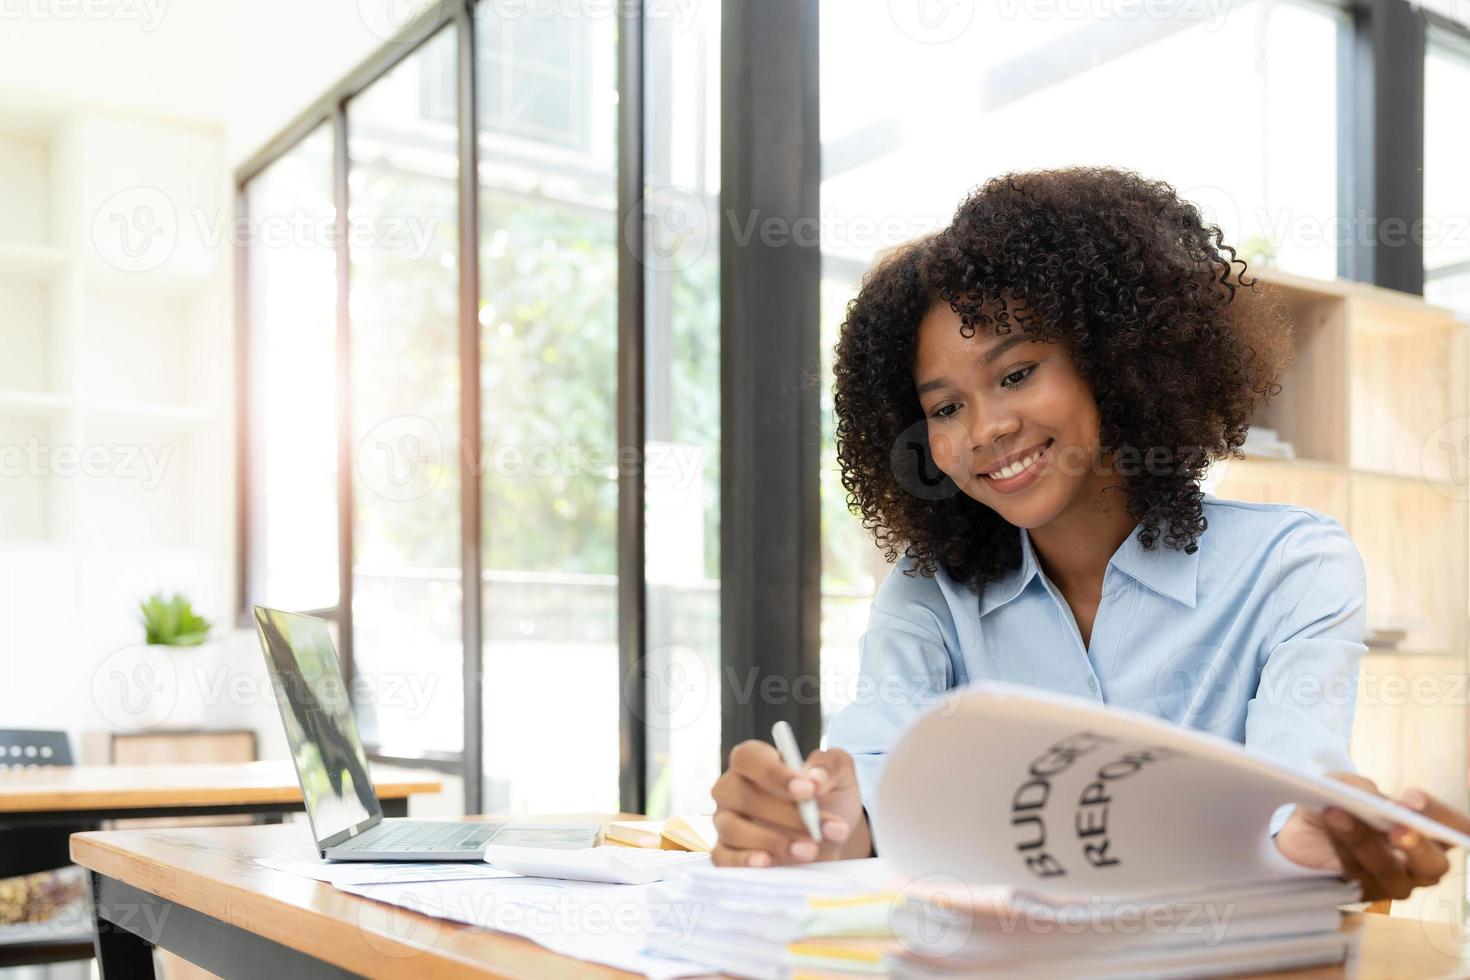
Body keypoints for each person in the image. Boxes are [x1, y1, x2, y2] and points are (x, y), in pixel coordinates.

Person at [709, 167, 1468, 901]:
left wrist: (1313, 834)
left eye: (1016, 374)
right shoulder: (929, 592)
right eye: (944, 408)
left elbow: (1293, 781)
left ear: (1113, 360)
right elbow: (871, 778)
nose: (987, 429)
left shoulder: (1292, 568)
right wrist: (827, 823)